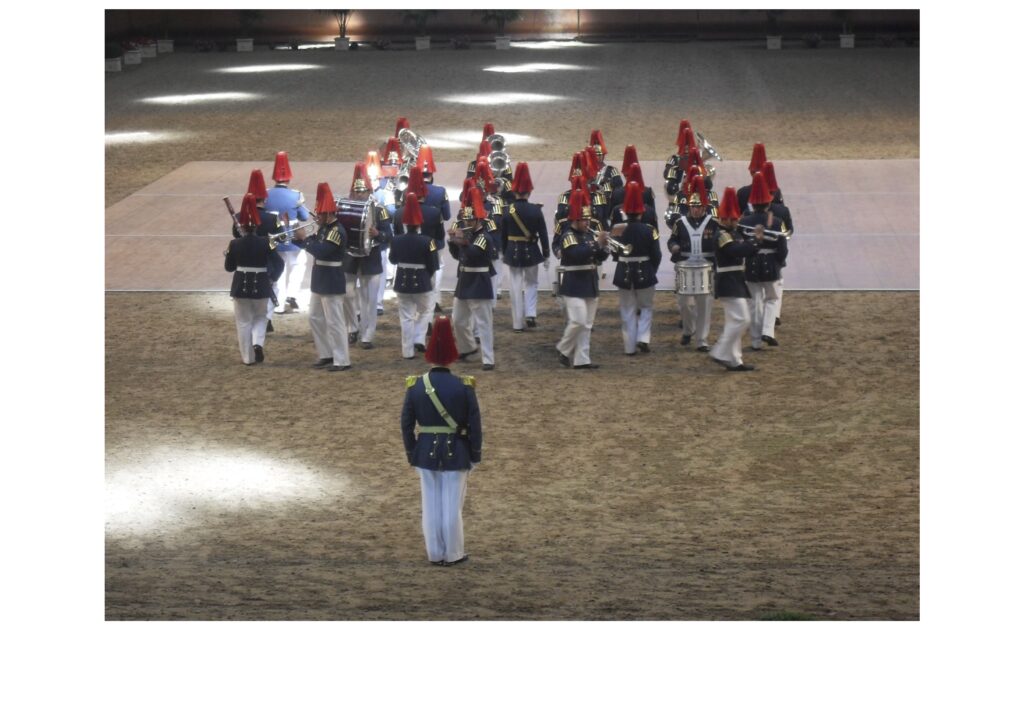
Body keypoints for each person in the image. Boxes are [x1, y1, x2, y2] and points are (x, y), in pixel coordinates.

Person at [401, 315, 482, 566]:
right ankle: (454, 552)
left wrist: (412, 451)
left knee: (430, 504)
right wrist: (475, 453)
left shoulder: (415, 386)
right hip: (456, 450)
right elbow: (475, 425)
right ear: (453, 354)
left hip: (425, 451)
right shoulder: (464, 386)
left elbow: (406, 424)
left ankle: (435, 553)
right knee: (452, 506)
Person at [223, 193, 283, 365]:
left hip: (241, 285)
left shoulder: (234, 244)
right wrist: (272, 278)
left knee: (243, 322)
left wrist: (229, 255)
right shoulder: (266, 242)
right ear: (257, 225)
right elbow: (278, 263)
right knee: (260, 317)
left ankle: (247, 358)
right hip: (262, 284)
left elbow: (229, 268)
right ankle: (257, 343)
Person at [555, 188, 610, 369]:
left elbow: (598, 257)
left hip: (589, 282)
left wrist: (605, 248)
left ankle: (582, 359)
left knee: (586, 324)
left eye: (588, 219)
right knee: (578, 320)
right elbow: (577, 254)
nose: (587, 223)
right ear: (575, 220)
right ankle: (563, 349)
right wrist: (597, 244)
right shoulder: (568, 236)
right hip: (573, 284)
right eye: (584, 220)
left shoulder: (588, 234)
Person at [341, 163, 393, 349]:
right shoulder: (346, 208)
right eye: (356, 192)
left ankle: (367, 335)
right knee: (347, 294)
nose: (358, 195)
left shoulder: (379, 210)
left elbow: (389, 235)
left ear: (368, 192)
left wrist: (378, 234)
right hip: (351, 258)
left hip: (370, 258)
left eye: (362, 192)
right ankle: (352, 328)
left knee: (369, 299)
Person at [301, 182, 351, 371]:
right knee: (315, 317)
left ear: (329, 214)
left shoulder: (336, 231)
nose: (317, 217)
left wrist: (303, 241)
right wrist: (302, 241)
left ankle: (342, 359)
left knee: (335, 321)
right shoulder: (324, 228)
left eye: (320, 214)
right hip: (320, 279)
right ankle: (326, 353)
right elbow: (314, 244)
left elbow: (322, 251)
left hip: (331, 278)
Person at [709, 187, 758, 372]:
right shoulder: (722, 235)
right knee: (742, 319)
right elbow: (736, 251)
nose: (737, 221)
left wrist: (756, 239)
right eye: (734, 218)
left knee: (734, 320)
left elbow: (747, 247)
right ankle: (721, 352)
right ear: (725, 219)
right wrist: (755, 242)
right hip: (728, 280)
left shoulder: (735, 232)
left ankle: (735, 359)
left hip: (735, 279)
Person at [448, 186, 497, 371]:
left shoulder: (484, 236)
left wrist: (460, 240)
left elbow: (474, 253)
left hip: (479, 280)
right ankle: (467, 347)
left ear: (478, 220)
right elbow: (458, 255)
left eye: (469, 219)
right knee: (459, 319)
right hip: (465, 279)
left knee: (483, 322)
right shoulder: (467, 235)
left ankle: (488, 358)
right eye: (465, 219)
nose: (466, 222)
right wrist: (453, 241)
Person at [668, 176, 719, 351]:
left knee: (704, 304)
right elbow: (672, 239)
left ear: (705, 207)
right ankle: (689, 330)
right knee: (684, 303)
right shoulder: (680, 223)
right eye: (693, 206)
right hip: (685, 265)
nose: (696, 210)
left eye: (699, 207)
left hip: (706, 267)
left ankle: (702, 340)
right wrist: (674, 246)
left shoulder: (713, 223)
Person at [610, 181, 661, 355]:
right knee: (646, 307)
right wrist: (652, 270)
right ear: (641, 212)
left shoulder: (617, 229)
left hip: (623, 271)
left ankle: (629, 347)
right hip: (645, 270)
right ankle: (643, 338)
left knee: (627, 309)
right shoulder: (649, 230)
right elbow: (657, 254)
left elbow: (614, 252)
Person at [741, 172, 789, 351]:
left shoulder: (744, 221)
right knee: (771, 299)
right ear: (768, 202)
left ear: (752, 203)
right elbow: (782, 247)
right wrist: (779, 262)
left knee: (754, 302)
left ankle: (755, 340)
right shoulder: (776, 222)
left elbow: (741, 243)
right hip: (770, 264)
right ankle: (768, 331)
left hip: (752, 263)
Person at [233, 169, 283, 337]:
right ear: (265, 198)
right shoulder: (272, 218)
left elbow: (235, 236)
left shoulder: (239, 217)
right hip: (267, 260)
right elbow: (282, 239)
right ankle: (267, 317)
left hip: (245, 263)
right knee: (272, 287)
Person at [389, 192, 438, 359]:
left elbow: (392, 260)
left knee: (406, 317)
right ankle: (419, 338)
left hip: (402, 281)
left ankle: (407, 351)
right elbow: (433, 265)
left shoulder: (396, 240)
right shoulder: (428, 241)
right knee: (427, 310)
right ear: (419, 224)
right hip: (422, 281)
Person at [502, 162, 550, 331]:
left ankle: (517, 323)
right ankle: (531, 313)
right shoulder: (536, 210)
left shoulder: (508, 210)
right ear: (529, 192)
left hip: (512, 251)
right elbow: (543, 234)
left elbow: (503, 234)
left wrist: (503, 252)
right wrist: (546, 253)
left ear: (514, 191)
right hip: (531, 250)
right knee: (532, 283)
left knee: (515, 287)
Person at [263, 151, 310, 314]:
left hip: (274, 240)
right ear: (288, 178)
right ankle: (292, 294)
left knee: (279, 270)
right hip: (293, 239)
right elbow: (304, 217)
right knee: (298, 265)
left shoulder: (266, 194)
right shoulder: (295, 195)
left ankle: (279, 303)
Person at [589, 129, 623, 194]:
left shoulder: (611, 170)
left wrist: (607, 180)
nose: (598, 157)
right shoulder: (586, 170)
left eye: (600, 154)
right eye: (596, 155)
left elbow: (619, 185)